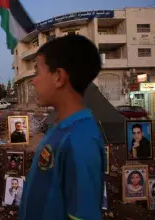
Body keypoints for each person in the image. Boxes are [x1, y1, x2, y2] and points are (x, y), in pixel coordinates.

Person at [19, 35, 104, 220]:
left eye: (37, 72)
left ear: (58, 77)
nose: (33, 81)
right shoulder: (61, 126)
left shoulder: (81, 140)